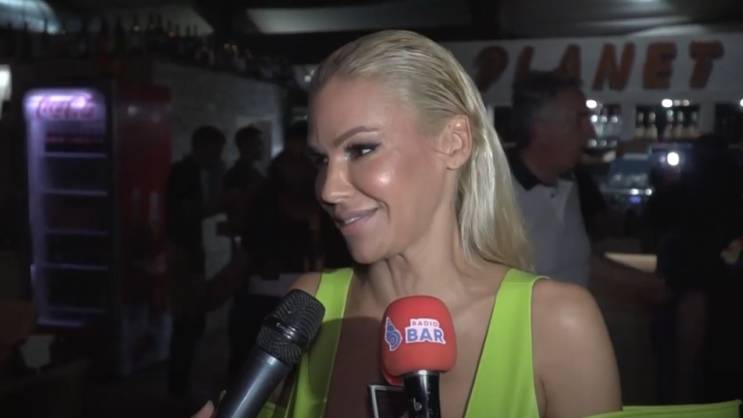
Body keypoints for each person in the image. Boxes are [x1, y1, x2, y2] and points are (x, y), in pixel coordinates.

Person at [196, 30, 620, 418]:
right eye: (321, 159)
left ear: (454, 142)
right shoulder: (310, 308)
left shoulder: (557, 323)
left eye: (362, 149)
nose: (328, 189)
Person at [166, 125, 226, 397]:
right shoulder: (185, 174)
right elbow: (190, 212)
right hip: (183, 253)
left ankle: (179, 382)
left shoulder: (188, 172)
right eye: (215, 150)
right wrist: (221, 202)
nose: (217, 156)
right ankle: (178, 385)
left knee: (190, 320)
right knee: (187, 320)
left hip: (187, 251)